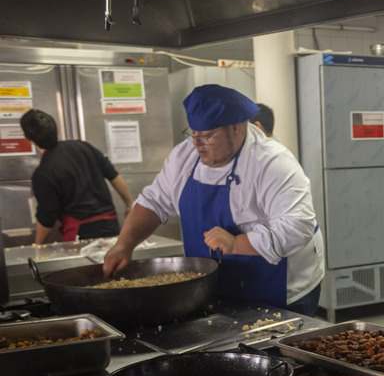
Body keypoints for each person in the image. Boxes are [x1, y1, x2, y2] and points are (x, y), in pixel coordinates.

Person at [103, 85, 325, 316]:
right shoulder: (184, 157)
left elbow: (298, 227)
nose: (197, 145)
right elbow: (154, 202)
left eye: (208, 136)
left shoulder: (272, 163)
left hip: (279, 289)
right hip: (216, 287)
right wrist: (124, 244)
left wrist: (235, 244)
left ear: (237, 128)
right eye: (194, 134)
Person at [21, 108, 134, 243]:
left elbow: (47, 218)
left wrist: (37, 247)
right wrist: (129, 203)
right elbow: (114, 176)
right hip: (111, 225)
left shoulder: (43, 172)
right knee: (112, 262)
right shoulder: (83, 147)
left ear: (27, 138)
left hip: (81, 233)